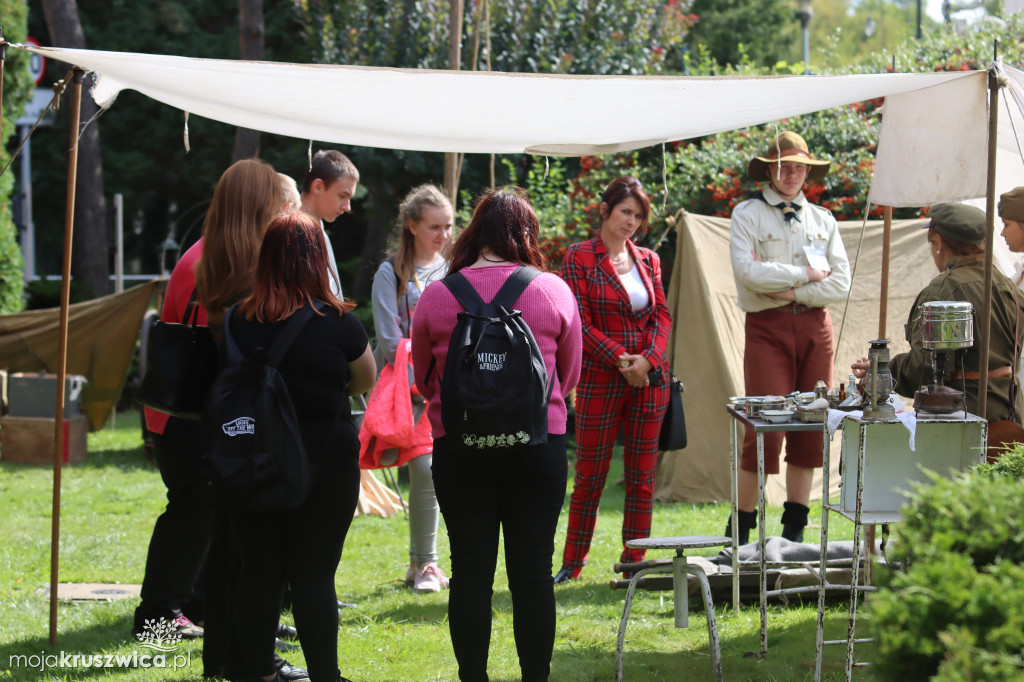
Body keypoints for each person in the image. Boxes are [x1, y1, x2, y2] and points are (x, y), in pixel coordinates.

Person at [410, 187, 582, 682]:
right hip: (537, 447)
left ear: (474, 232)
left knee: (469, 573)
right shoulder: (552, 290)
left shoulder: (439, 294)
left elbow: (424, 380)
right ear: (526, 233)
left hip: (461, 450)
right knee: (531, 574)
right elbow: (567, 378)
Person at [134, 158, 285, 644]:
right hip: (191, 413)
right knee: (192, 512)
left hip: (187, 410)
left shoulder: (209, 254)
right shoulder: (216, 262)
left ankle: (206, 607)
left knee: (205, 514)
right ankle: (158, 614)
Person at [226, 210, 376, 682]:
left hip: (252, 460)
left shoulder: (237, 319)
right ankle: (325, 676)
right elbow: (363, 381)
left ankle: (258, 674)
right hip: (324, 464)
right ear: (317, 261)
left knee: (258, 572)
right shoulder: (340, 323)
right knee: (313, 576)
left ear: (265, 257)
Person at [187, 159, 310, 682]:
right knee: (253, 558)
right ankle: (252, 662)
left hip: (217, 423)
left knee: (227, 551)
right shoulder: (252, 276)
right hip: (251, 425)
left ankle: (225, 659)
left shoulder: (208, 262)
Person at [727, 130, 851, 544]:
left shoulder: (823, 219)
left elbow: (841, 284)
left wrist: (792, 290)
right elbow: (747, 273)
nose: (793, 173)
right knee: (765, 423)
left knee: (812, 422)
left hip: (816, 326)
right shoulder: (747, 213)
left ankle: (794, 530)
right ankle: (741, 529)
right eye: (784, 166)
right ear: (769, 170)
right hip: (768, 328)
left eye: (800, 166)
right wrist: (806, 274)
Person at [553, 176, 671, 583]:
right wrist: (625, 361)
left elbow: (661, 317)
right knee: (589, 477)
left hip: (649, 380)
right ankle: (572, 565)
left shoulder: (650, 260)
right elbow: (579, 323)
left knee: (642, 480)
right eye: (625, 212)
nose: (631, 222)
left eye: (638, 216)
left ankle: (634, 563)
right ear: (605, 210)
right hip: (600, 379)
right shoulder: (578, 256)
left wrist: (649, 362)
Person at [854, 203, 1024, 457]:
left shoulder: (944, 290)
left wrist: (884, 371)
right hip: (1012, 411)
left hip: (963, 418)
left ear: (939, 243)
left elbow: (928, 367)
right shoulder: (1008, 286)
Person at [369, 184, 452, 593]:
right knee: (425, 470)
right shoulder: (391, 273)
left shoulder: (453, 269)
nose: (444, 235)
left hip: (445, 389)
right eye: (435, 227)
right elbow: (388, 340)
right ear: (413, 226)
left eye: (449, 227)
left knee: (430, 474)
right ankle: (427, 567)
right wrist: (423, 380)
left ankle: (420, 562)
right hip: (408, 390)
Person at [300, 149, 360, 299]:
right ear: (318, 186)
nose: (347, 207)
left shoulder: (320, 233)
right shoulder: (288, 234)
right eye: (342, 196)